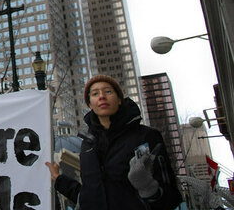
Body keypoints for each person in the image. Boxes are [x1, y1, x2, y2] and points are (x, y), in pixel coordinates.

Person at [45, 75, 183, 210]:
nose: (102, 96)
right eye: (95, 93)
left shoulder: (146, 136)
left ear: (119, 100)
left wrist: (147, 187)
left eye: (108, 91)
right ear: (90, 104)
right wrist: (59, 179)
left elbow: (171, 198)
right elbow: (88, 197)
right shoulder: (88, 145)